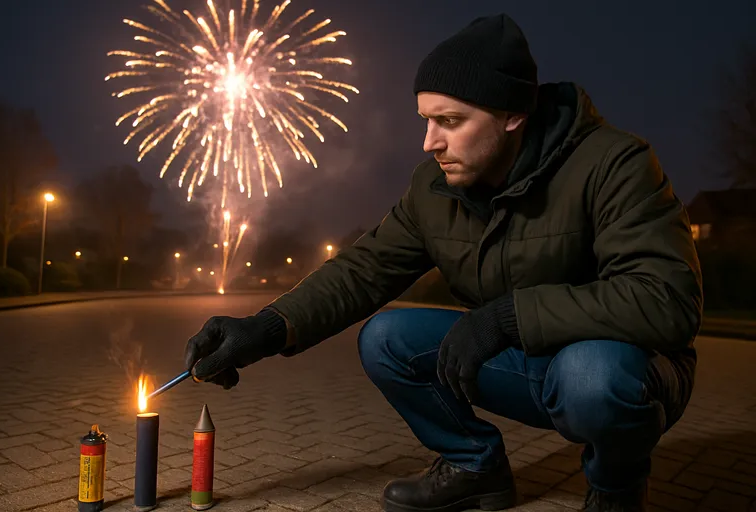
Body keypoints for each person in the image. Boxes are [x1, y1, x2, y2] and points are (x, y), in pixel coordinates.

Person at [184, 13, 702, 512]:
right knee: (386, 338)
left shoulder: (616, 164)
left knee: (592, 375)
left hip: (625, 371)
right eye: (427, 120)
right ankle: (475, 467)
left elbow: (668, 299)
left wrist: (508, 317)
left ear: (512, 115)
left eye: (450, 122)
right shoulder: (434, 188)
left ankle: (615, 487)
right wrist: (263, 330)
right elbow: (362, 271)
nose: (430, 142)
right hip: (531, 361)